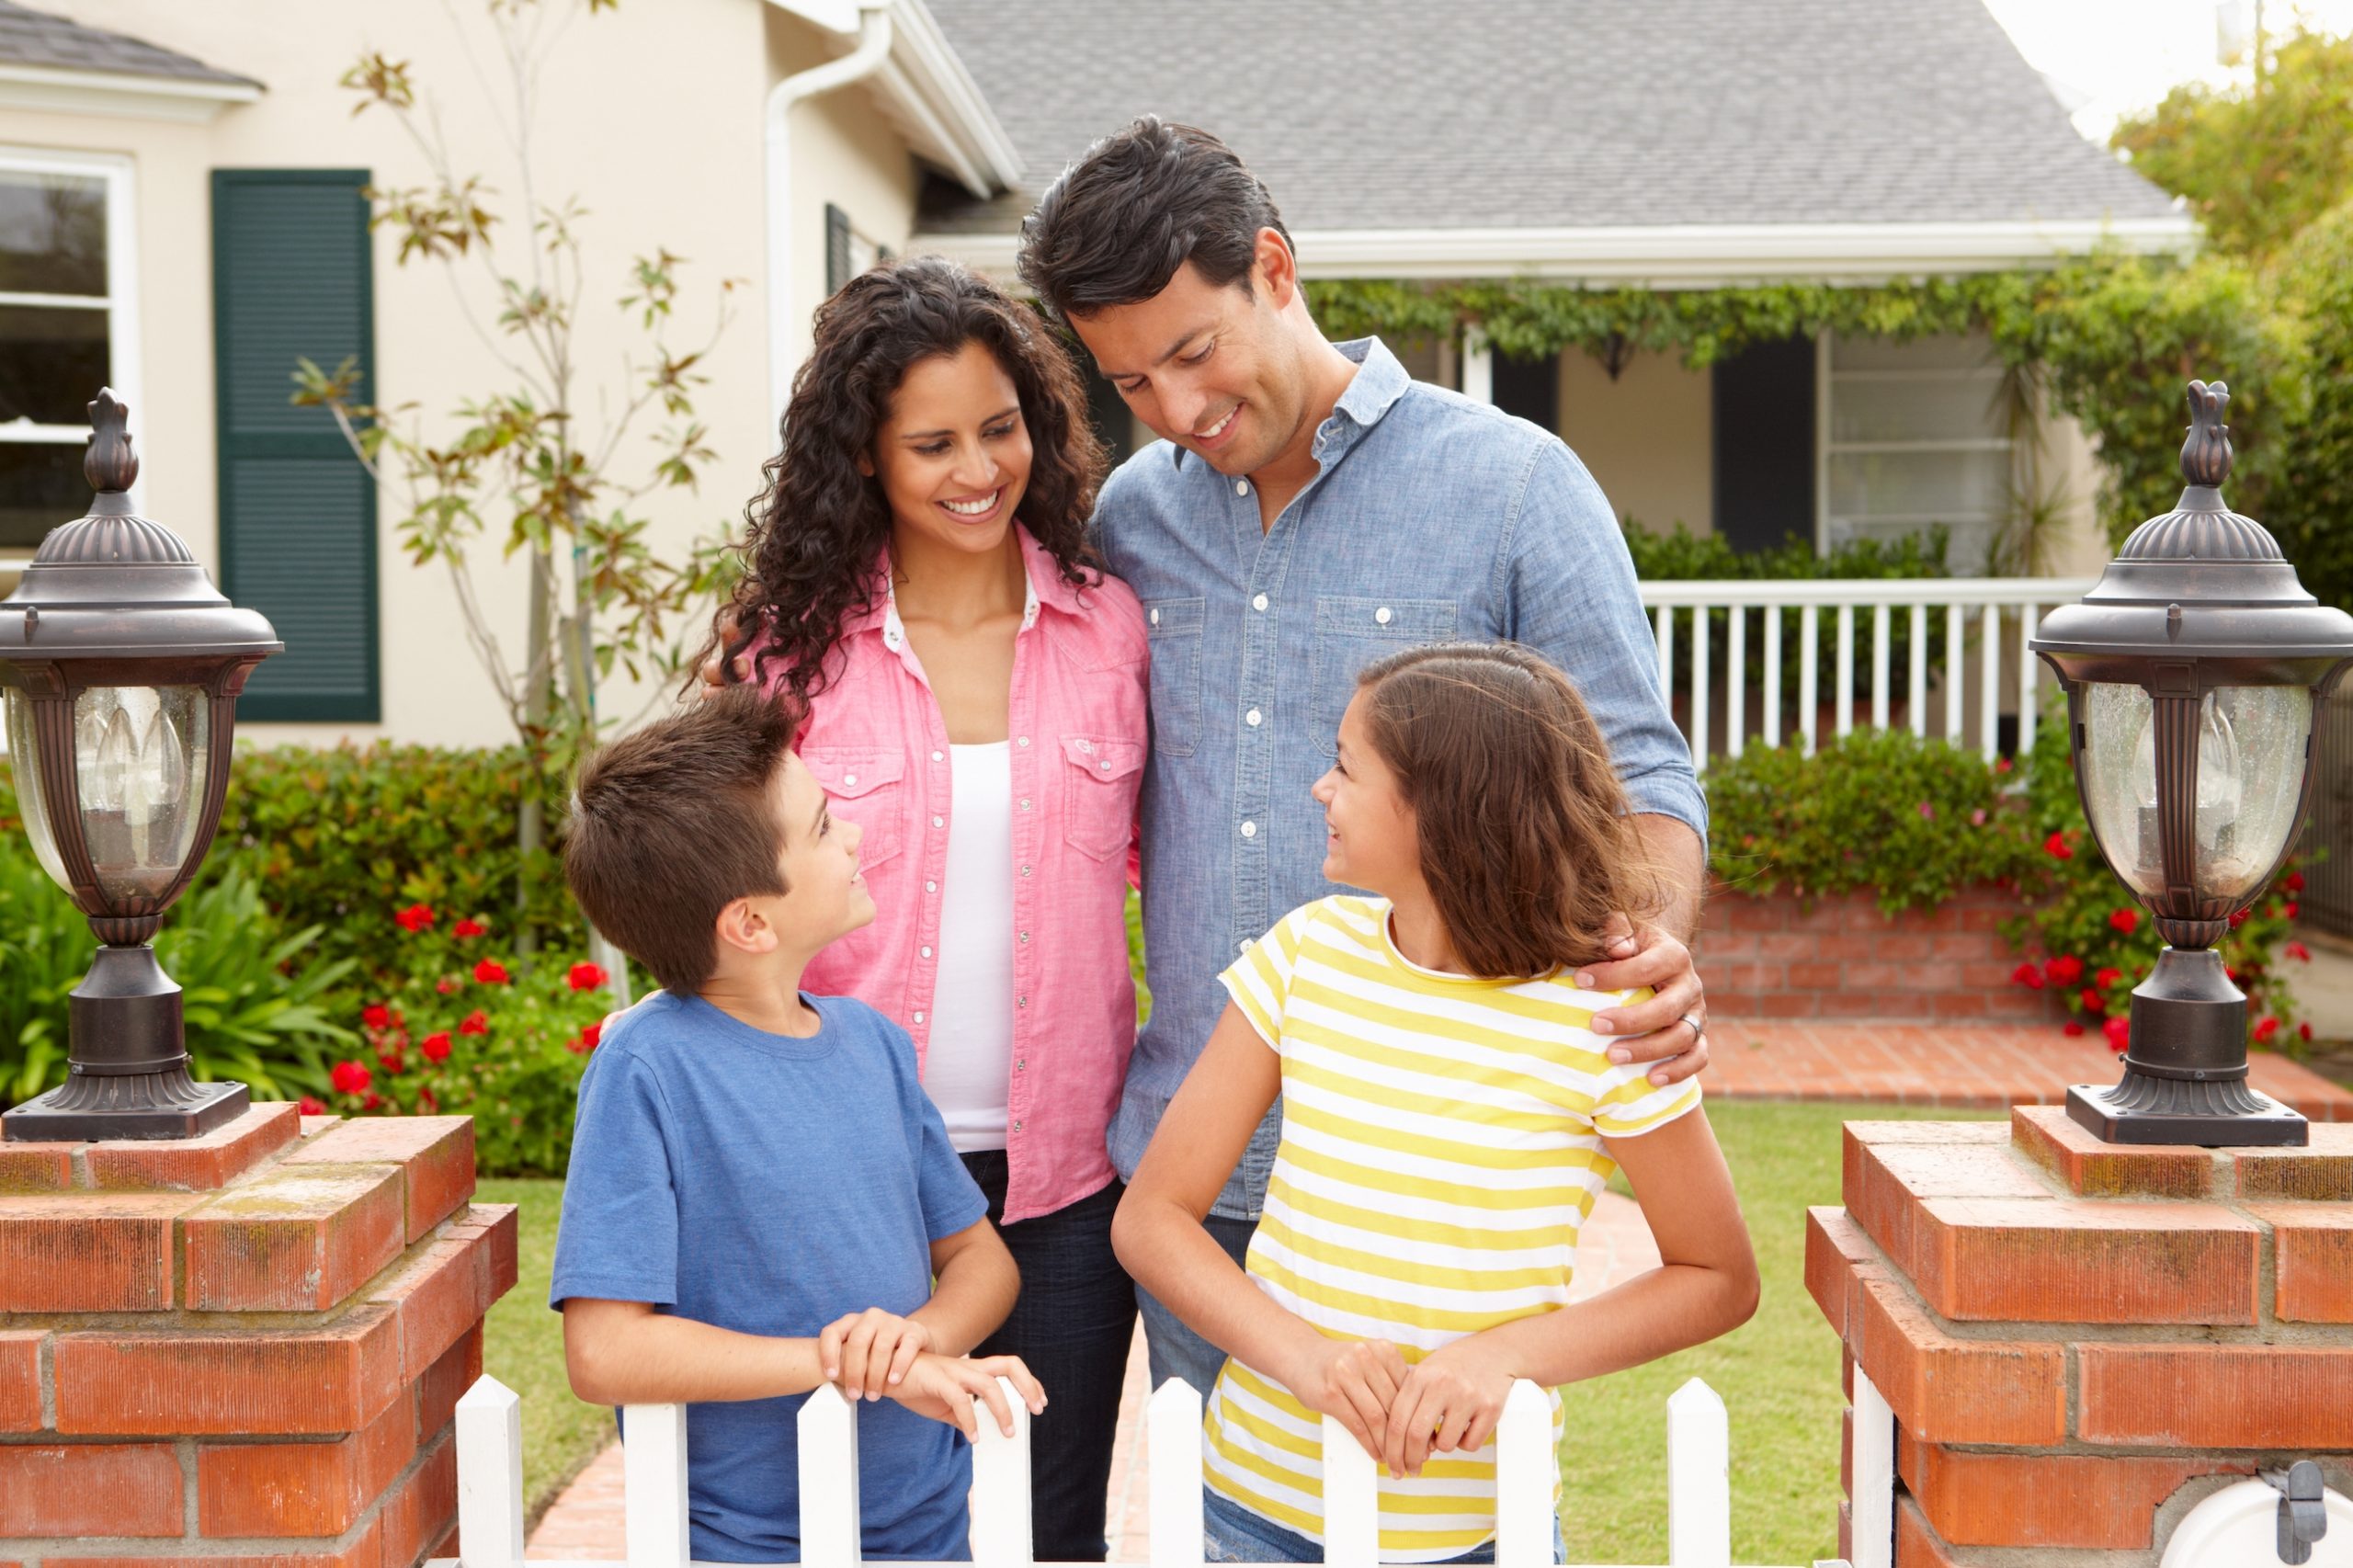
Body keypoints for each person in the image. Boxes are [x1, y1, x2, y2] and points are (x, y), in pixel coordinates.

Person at [1016, 118, 1716, 1398]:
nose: (1178, 410)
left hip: (1427, 1175)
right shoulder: (1132, 517)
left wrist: (1643, 951)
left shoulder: (1514, 485)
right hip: (1192, 1180)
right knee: (1235, 1500)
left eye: (1194, 352)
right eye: (1132, 383)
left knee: (1424, 1495)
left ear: (1274, 269)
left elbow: (1641, 779)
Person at [1113, 643, 1758, 1565]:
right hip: (1253, 1516)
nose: (1320, 789)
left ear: (1443, 809)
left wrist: (1504, 1356)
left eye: (1346, 767)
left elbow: (1717, 1276)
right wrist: (1304, 1358)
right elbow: (1153, 1219)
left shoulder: (1608, 1017)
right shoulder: (1305, 957)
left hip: (1480, 1536)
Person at [706, 256, 1148, 1562]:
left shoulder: (1112, 629)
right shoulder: (784, 653)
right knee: (855, 1520)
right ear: (865, 455)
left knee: (1049, 1528)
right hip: (844, 1171)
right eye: (933, 442)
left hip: (1067, 1183)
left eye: (1000, 428)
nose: (977, 468)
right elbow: (724, 906)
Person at [550, 687, 1046, 1563]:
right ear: (750, 922)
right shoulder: (645, 1069)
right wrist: (838, 1360)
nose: (851, 834)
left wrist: (917, 1343)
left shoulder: (875, 1046)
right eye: (820, 827)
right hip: (742, 1546)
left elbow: (981, 1261)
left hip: (929, 1531)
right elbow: (605, 1351)